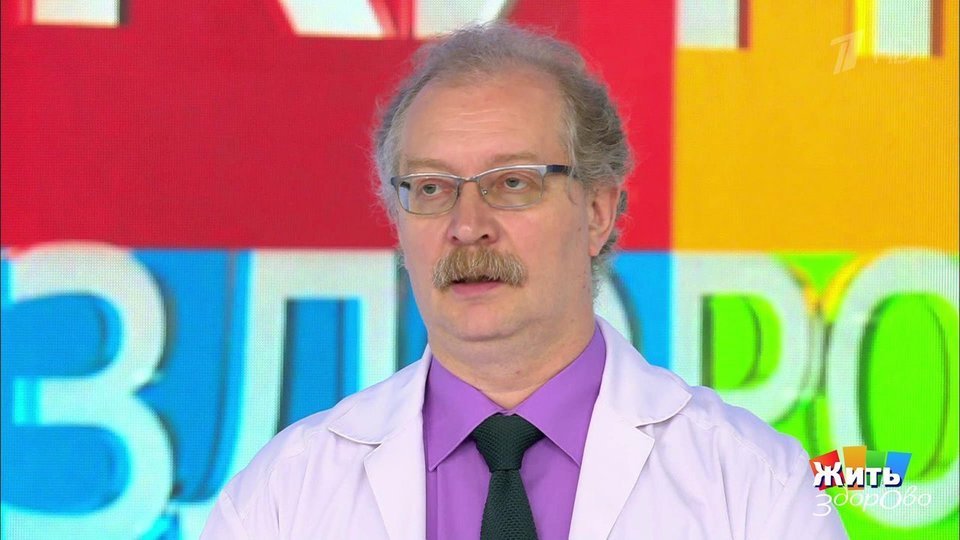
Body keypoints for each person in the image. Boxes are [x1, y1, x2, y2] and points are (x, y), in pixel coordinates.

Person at [201, 23, 847, 539]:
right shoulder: (282, 498)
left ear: (597, 212)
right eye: (432, 188)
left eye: (512, 183)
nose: (467, 226)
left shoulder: (757, 487)